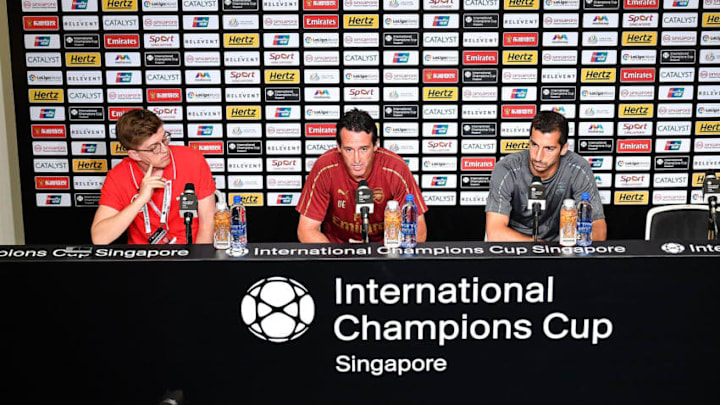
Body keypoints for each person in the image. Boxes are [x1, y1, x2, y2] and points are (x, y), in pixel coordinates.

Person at [297, 109, 428, 243]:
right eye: (349, 150)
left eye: (363, 149)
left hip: (385, 252)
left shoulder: (396, 168)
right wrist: (335, 259)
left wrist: (386, 258)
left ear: (375, 145)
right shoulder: (325, 168)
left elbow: (417, 229)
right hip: (336, 251)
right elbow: (306, 229)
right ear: (338, 147)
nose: (356, 159)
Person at [91, 109, 216, 245]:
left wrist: (197, 261)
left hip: (190, 252)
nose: (164, 149)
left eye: (164, 139)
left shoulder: (192, 160)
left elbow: (208, 221)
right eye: (154, 148)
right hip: (143, 259)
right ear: (134, 154)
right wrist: (140, 200)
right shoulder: (118, 176)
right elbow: (100, 238)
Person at [485, 111, 607, 242]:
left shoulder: (578, 169)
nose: (538, 157)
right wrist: (543, 249)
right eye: (534, 145)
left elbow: (598, 229)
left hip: (562, 247)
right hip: (515, 246)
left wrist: (567, 248)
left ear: (564, 148)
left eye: (549, 148)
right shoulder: (507, 168)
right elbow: (495, 233)